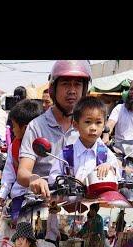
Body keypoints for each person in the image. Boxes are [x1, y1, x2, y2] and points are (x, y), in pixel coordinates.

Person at [17, 60, 90, 197]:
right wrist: (34, 179)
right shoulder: (37, 126)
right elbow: (23, 172)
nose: (72, 90)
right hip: (43, 199)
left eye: (78, 84)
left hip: (78, 201)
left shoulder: (88, 126)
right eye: (65, 84)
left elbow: (101, 155)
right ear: (53, 89)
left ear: (84, 90)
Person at [47, 96, 121, 187]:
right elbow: (52, 179)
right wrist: (69, 181)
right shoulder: (66, 154)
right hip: (70, 201)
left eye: (98, 123)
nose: (93, 128)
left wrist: (110, 169)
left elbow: (118, 179)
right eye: (88, 122)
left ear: (104, 126)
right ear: (75, 125)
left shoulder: (106, 154)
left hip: (99, 200)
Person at [0, 100, 43, 209]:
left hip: (40, 199)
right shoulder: (14, 146)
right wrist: (2, 194)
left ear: (26, 128)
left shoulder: (43, 146)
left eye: (14, 126)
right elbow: (9, 172)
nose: (12, 130)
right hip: (18, 198)